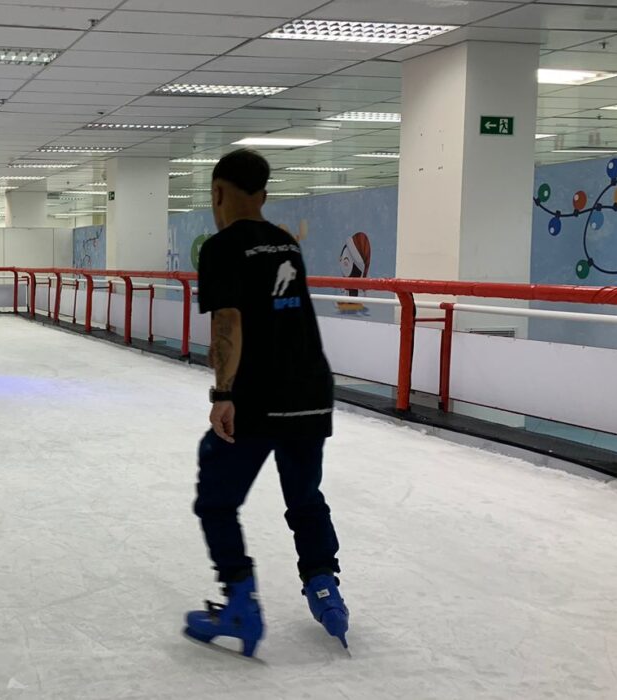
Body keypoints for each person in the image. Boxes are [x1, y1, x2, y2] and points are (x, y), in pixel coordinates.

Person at [183, 149, 348, 657]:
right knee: (304, 496)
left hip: (257, 395)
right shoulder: (285, 243)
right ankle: (323, 584)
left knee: (216, 499)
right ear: (265, 195)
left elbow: (228, 321)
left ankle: (239, 603)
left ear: (216, 193)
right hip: (310, 393)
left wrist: (223, 393)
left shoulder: (219, 247)